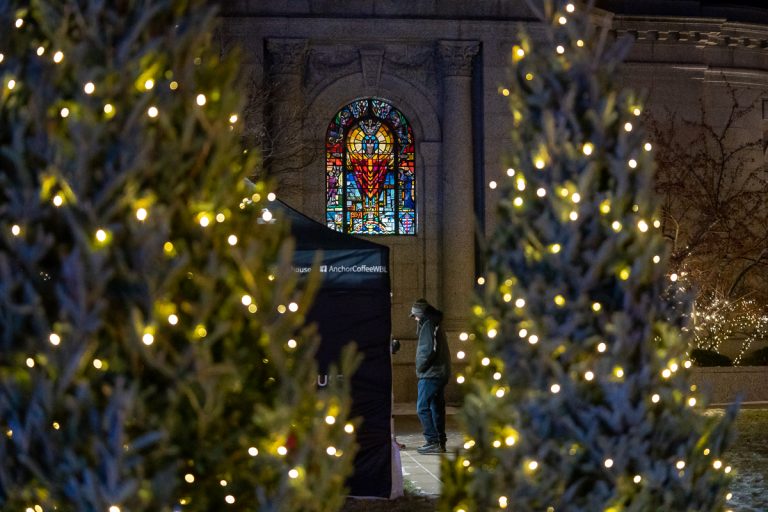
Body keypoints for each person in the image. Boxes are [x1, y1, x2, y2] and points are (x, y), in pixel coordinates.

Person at [410, 298, 451, 454]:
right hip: (440, 372)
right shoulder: (436, 324)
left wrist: (420, 368)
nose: (414, 319)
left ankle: (432, 440)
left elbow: (427, 350)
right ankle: (440, 441)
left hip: (431, 373)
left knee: (422, 407)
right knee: (436, 407)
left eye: (414, 316)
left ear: (420, 314)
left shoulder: (428, 325)